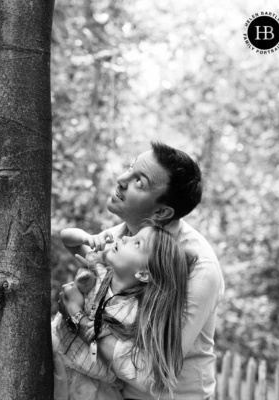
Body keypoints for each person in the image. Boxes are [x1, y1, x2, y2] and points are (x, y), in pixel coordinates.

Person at [59, 141, 225, 399]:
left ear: (161, 211)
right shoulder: (122, 236)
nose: (121, 179)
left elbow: (153, 374)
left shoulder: (198, 267)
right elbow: (82, 254)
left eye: (140, 182)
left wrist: (77, 319)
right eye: (130, 168)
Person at [52, 223, 194, 400]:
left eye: (137, 244)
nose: (126, 237)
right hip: (55, 353)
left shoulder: (136, 312)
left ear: (143, 274)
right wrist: (86, 237)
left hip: (93, 387)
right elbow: (66, 238)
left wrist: (112, 332)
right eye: (134, 236)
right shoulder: (99, 271)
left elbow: (133, 352)